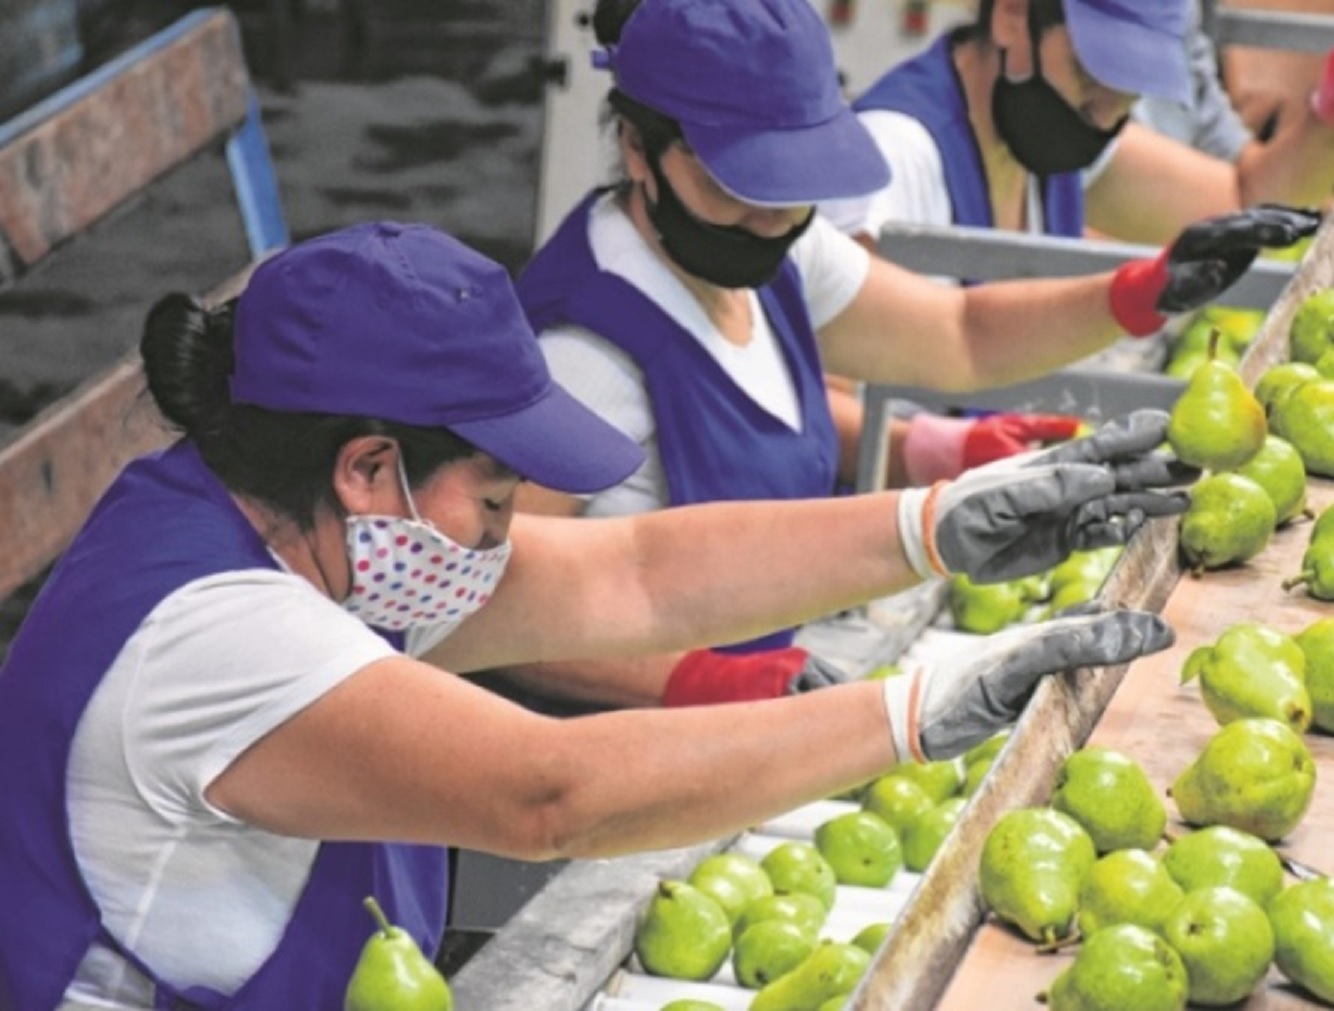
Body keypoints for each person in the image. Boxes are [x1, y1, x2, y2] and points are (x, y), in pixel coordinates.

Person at [0, 222, 1187, 1010]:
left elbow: (637, 576)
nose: (512, 532)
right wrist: (919, 715)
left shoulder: (316, 529)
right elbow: (550, 793)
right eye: (500, 496)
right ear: (370, 470)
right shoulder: (212, 636)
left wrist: (932, 526)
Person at [507, 0, 1316, 708]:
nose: (770, 219)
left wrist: (1142, 289)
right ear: (639, 148)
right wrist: (694, 682)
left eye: (792, 191)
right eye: (738, 186)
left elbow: (960, 334)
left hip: (756, 721)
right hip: (607, 764)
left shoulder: (778, 258)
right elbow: (493, 612)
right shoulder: (585, 351)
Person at [823, 0, 1334, 248]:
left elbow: (1244, 200)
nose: (1107, 113)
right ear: (1012, 17)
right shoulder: (896, 159)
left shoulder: (1052, 138)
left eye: (1128, 91)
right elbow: (833, 403)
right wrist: (932, 452)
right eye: (1093, 75)